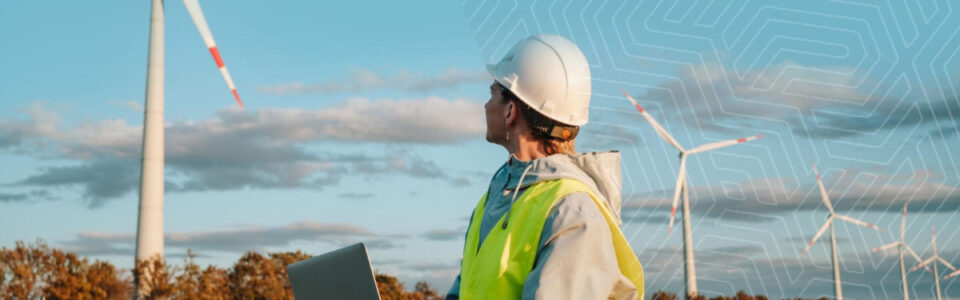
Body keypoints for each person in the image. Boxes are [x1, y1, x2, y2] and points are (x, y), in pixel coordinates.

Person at [446, 34, 644, 300]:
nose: (485, 105)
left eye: (492, 93)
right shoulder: (493, 199)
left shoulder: (572, 212)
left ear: (510, 111)